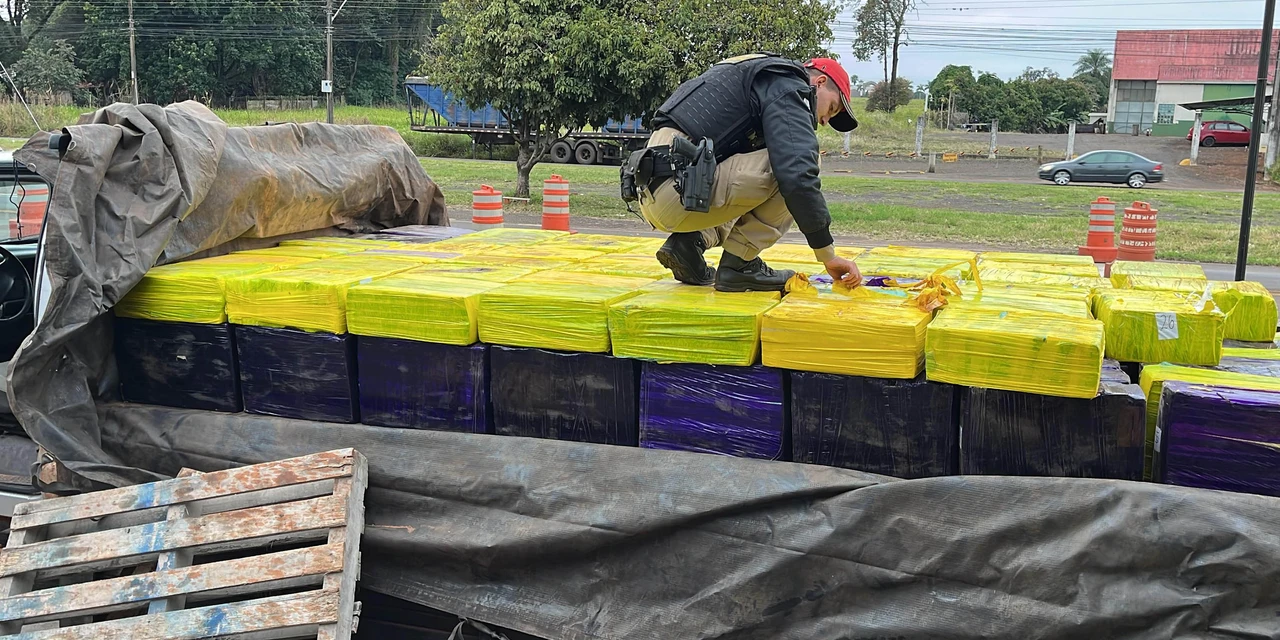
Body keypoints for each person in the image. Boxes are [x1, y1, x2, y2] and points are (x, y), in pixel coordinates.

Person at [632, 54, 863, 292]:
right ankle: (739, 265)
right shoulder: (788, 84)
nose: (825, 120)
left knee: (769, 160)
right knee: (796, 161)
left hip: (655, 187)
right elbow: (798, 174)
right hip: (678, 188)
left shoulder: (758, 72)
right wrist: (827, 255)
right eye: (832, 108)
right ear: (820, 82)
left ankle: (690, 242)